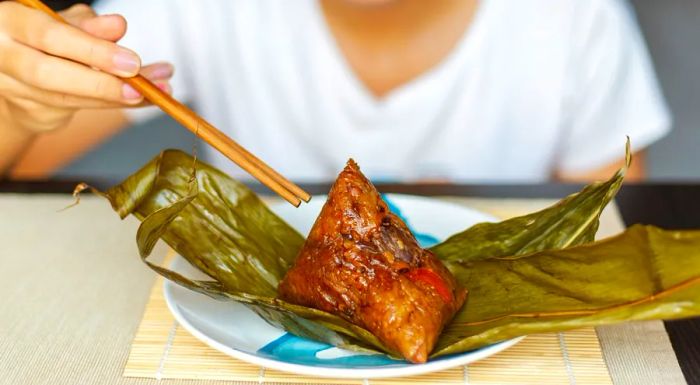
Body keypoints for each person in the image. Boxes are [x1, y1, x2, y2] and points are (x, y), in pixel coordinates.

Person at [0, 0, 670, 183]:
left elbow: (604, 216)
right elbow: (18, 159)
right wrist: (22, 98)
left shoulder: (575, 18)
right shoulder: (203, 8)